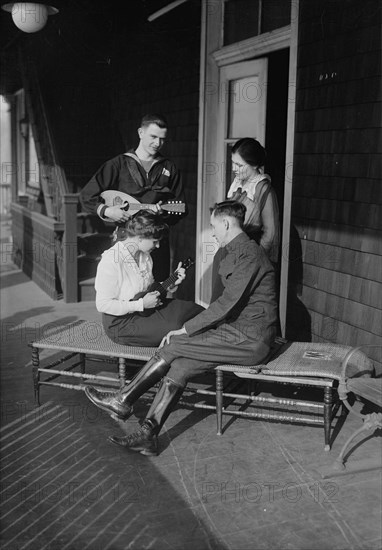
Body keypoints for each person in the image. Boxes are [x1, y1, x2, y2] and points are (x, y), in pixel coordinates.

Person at [84, 201, 279, 456]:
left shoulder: (247, 255)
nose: (212, 232)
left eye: (213, 226)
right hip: (236, 334)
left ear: (226, 224)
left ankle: (123, 399)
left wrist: (185, 329)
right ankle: (148, 435)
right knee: (181, 365)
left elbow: (225, 306)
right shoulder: (238, 251)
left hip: (249, 339)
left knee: (173, 343)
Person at [80, 113, 185, 280]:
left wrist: (163, 214)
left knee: (157, 288)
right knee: (124, 289)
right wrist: (107, 211)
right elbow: (86, 196)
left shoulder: (169, 168)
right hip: (126, 239)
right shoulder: (118, 164)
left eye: (162, 139)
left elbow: (180, 206)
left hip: (156, 241)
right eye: (153, 136)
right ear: (140, 133)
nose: (157, 143)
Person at [94, 209, 203, 347]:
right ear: (140, 238)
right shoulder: (112, 260)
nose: (157, 246)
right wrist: (140, 304)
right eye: (155, 241)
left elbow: (149, 289)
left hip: (145, 312)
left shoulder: (145, 257)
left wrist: (170, 284)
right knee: (177, 328)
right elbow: (103, 304)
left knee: (193, 310)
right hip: (121, 324)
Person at [227, 138, 280, 264]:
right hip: (232, 254)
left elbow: (270, 233)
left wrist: (254, 261)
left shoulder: (263, 189)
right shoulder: (237, 185)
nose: (234, 168)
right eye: (233, 163)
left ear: (255, 165)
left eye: (239, 165)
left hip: (251, 258)